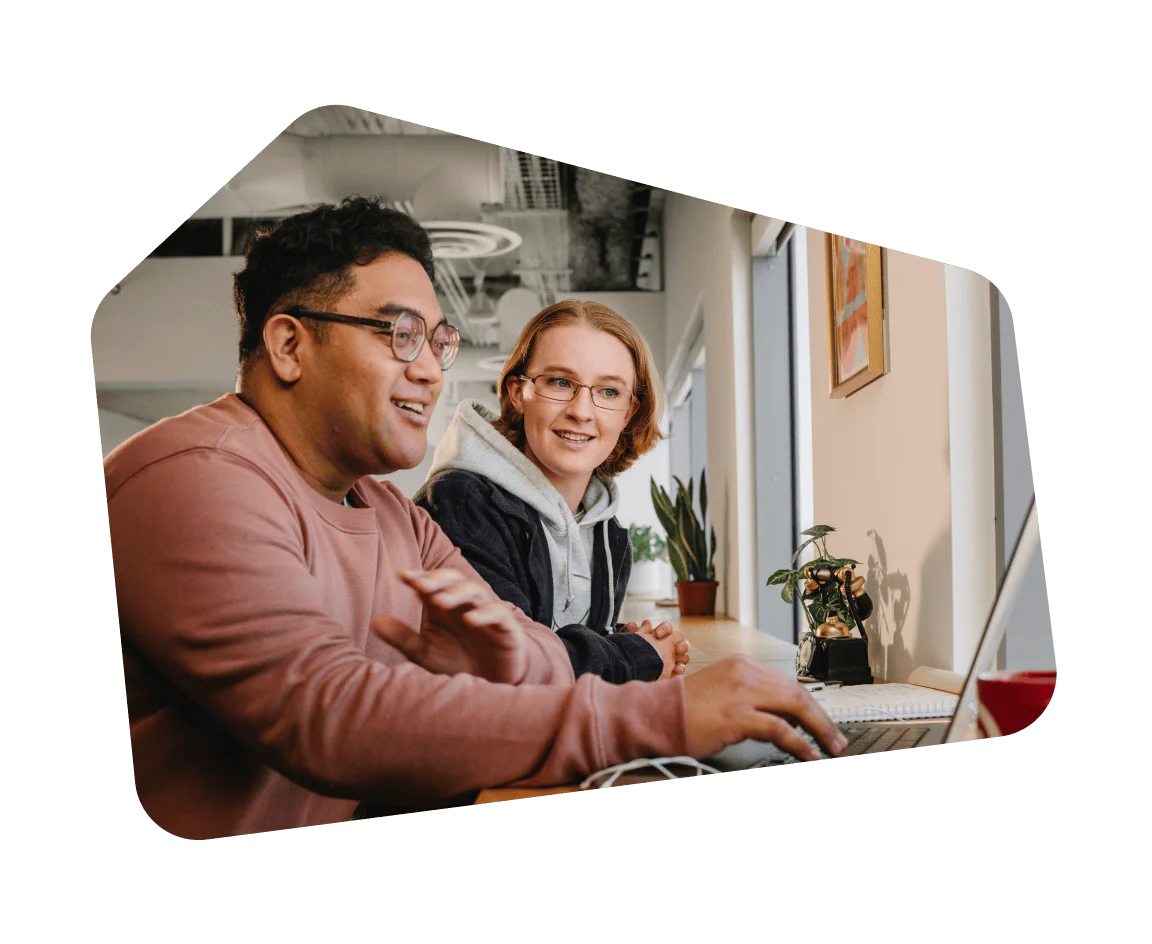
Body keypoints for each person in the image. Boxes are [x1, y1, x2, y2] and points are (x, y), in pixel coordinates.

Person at [104, 196, 846, 840]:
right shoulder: (195, 479)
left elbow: (533, 650)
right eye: (398, 335)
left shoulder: (392, 514)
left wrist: (507, 668)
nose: (430, 369)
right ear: (290, 345)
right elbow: (327, 717)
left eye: (436, 341)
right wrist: (666, 716)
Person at [415, 300, 688, 684]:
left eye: (609, 391)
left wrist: (614, 640)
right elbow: (509, 670)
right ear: (517, 392)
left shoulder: (609, 538)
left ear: (629, 412)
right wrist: (635, 656)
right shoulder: (462, 502)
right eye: (560, 383)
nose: (581, 411)